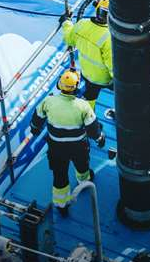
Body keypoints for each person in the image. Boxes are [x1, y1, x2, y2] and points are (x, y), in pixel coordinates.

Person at [30, 69, 103, 217]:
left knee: (60, 175)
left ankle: (61, 205)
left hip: (56, 147)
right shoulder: (82, 106)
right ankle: (84, 181)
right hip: (78, 146)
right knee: (82, 166)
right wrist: (99, 138)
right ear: (76, 87)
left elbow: (37, 120)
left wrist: (35, 129)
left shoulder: (49, 101)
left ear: (60, 85)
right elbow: (93, 129)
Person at [62, 0, 113, 114]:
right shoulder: (108, 37)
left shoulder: (81, 24)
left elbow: (68, 39)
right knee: (126, 96)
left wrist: (66, 22)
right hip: (105, 79)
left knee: (90, 96)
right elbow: (113, 66)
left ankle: (89, 116)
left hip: (87, 74)